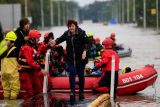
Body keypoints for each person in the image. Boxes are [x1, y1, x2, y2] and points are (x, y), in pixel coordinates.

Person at [51, 19, 88, 104]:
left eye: (73, 26)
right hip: (71, 59)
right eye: (70, 26)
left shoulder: (82, 33)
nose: (71, 28)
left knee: (81, 75)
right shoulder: (66, 34)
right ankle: (72, 91)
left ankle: (81, 91)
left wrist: (85, 51)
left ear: (75, 26)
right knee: (72, 73)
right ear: (68, 27)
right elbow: (60, 39)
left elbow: (88, 43)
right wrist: (54, 41)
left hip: (81, 59)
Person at [18, 30, 48, 100]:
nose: (39, 40)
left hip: (32, 72)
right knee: (29, 93)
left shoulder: (32, 48)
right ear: (32, 39)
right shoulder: (26, 48)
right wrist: (41, 69)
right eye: (37, 38)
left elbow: (36, 56)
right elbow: (30, 62)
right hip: (25, 73)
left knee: (38, 90)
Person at [1, 31, 20, 100]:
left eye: (6, 40)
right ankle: (12, 104)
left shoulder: (2, 50)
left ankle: (7, 103)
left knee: (7, 90)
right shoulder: (16, 50)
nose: (6, 42)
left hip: (4, 74)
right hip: (12, 75)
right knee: (14, 90)